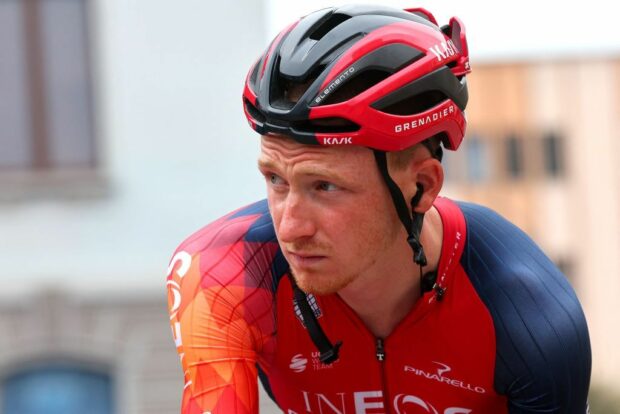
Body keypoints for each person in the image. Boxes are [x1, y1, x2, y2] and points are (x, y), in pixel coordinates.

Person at [166, 5, 591, 413]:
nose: (290, 226)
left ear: (421, 188)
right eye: (275, 180)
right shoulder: (225, 276)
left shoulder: (526, 315)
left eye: (325, 186)